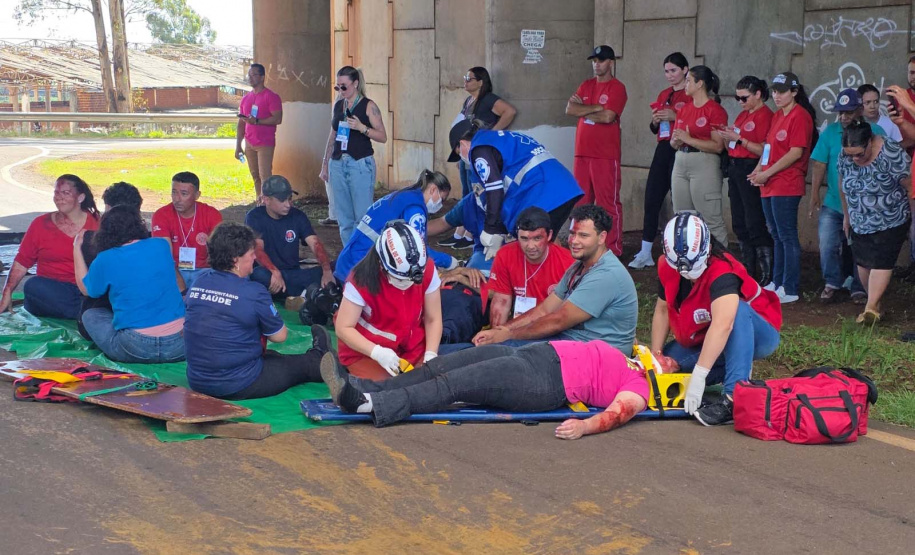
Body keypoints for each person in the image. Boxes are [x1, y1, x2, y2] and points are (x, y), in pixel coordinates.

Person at [320, 339, 678, 435]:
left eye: (671, 361)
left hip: (544, 382)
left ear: (668, 377)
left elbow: (618, 413)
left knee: (452, 385)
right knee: (441, 365)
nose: (663, 355)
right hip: (534, 355)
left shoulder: (641, 388)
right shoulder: (633, 358)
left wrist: (584, 426)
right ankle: (361, 386)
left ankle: (367, 405)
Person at [444, 204, 638, 355]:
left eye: (583, 235)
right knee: (490, 350)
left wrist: (508, 334)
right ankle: (435, 356)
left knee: (502, 355)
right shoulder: (577, 267)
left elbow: (557, 320)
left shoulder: (604, 274)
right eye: (572, 234)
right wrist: (501, 330)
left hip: (592, 354)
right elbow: (545, 309)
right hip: (568, 341)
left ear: (602, 237)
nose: (575, 241)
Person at [651, 213, 782, 426]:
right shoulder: (667, 264)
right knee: (670, 363)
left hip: (757, 331)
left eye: (694, 267)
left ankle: (734, 395)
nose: (688, 275)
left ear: (708, 249)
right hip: (706, 333)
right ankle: (735, 368)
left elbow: (724, 324)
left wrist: (700, 376)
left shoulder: (724, 271)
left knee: (736, 310)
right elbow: (663, 309)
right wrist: (656, 357)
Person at [184, 222, 328, 400]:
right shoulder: (254, 291)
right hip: (239, 382)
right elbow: (279, 336)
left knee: (273, 357)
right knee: (300, 366)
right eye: (251, 254)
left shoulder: (199, 281)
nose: (254, 258)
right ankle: (321, 357)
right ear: (236, 259)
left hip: (197, 379)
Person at [447, 119, 583, 262]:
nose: (462, 158)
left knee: (536, 247)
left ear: (462, 143)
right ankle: (567, 274)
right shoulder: (500, 138)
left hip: (544, 194)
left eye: (458, 152)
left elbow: (494, 187)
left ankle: (566, 276)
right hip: (563, 188)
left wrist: (491, 229)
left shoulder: (478, 149)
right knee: (548, 242)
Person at [73, 206, 185, 363]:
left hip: (135, 347)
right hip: (180, 345)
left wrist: (76, 248)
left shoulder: (105, 258)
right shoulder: (161, 245)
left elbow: (86, 290)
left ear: (104, 232)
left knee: (90, 315)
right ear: (139, 225)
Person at [335, 221, 442, 380]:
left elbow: (433, 318)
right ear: (381, 264)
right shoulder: (360, 281)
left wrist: (431, 354)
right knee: (389, 390)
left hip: (411, 347)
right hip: (367, 353)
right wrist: (377, 352)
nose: (406, 285)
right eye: (400, 280)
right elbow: (344, 327)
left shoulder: (427, 269)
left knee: (428, 383)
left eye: (412, 281)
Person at [809, 88, 885, 304]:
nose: (844, 117)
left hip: (865, 204)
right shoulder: (830, 132)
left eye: (849, 112)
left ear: (859, 110)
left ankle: (859, 288)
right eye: (840, 112)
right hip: (834, 202)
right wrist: (814, 194)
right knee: (827, 243)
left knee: (861, 247)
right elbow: (819, 164)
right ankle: (832, 282)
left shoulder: (875, 131)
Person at [749, 72, 817, 304]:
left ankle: (790, 287)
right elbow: (768, 147)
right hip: (769, 183)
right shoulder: (778, 115)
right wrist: (759, 170)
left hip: (786, 184)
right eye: (775, 91)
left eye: (782, 91)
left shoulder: (801, 116)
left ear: (794, 92)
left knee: (786, 235)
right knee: (776, 235)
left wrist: (766, 173)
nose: (776, 96)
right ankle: (776, 283)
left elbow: (796, 152)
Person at [838, 120, 911, 324]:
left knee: (881, 261)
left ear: (870, 142)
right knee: (864, 262)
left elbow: (910, 185)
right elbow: (842, 183)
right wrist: (847, 215)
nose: (855, 158)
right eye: (850, 154)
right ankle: (876, 307)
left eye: (859, 154)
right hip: (860, 218)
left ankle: (869, 307)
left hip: (891, 217)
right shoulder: (845, 154)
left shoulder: (891, 152)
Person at [0, 174, 100, 319]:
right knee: (32, 286)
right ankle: (87, 313)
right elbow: (22, 262)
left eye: (65, 193)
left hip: (87, 290)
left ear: (80, 198)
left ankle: (87, 312)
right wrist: (7, 292)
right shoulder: (40, 224)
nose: (59, 197)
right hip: (52, 290)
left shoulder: (98, 224)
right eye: (56, 193)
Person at [334, 169, 457, 283]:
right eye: (442, 199)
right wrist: (449, 262)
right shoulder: (415, 209)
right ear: (433, 190)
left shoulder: (404, 196)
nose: (441, 204)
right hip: (361, 269)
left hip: (347, 262)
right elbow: (418, 251)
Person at [442, 66, 517, 250]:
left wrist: (490, 135)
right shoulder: (469, 101)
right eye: (465, 76)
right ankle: (461, 232)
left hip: (481, 153)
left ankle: (470, 234)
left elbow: (510, 111)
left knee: (478, 191)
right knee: (466, 191)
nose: (465, 81)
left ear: (481, 81)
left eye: (469, 78)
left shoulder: (488, 99)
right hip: (466, 150)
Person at [566, 45, 628, 255]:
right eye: (594, 61)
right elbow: (570, 109)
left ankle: (612, 249)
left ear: (611, 62)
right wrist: (595, 108)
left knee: (607, 203)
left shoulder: (617, 87)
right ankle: (579, 246)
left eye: (601, 60)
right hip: (582, 152)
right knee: (581, 201)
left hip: (605, 154)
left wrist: (583, 112)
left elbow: (609, 117)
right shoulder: (586, 85)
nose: (596, 64)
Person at [630, 52, 690, 269]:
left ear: (685, 70)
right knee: (652, 198)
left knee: (679, 200)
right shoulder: (665, 93)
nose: (670, 75)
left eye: (674, 70)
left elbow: (697, 122)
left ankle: (682, 249)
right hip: (663, 147)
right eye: (666, 71)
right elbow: (654, 127)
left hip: (682, 148)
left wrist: (675, 117)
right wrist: (655, 120)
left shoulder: (691, 92)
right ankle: (645, 251)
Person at [715, 76, 775, 285]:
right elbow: (734, 145)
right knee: (739, 222)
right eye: (737, 97)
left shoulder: (765, 116)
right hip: (736, 168)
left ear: (758, 94)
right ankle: (749, 269)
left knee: (754, 221)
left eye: (744, 97)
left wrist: (739, 139)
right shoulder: (743, 115)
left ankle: (767, 272)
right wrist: (726, 135)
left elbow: (765, 149)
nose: (740, 101)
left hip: (752, 167)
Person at [319, 66, 388, 244]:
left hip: (359, 164)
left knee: (362, 217)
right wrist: (325, 164)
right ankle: (349, 259)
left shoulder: (368, 106)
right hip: (338, 162)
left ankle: (364, 258)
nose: (341, 91)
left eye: (344, 87)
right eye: (338, 87)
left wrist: (362, 128)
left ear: (355, 84)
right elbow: (332, 135)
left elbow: (383, 136)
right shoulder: (339, 105)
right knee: (344, 218)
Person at [245, 175, 335, 300]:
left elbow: (315, 244)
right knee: (258, 275)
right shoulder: (254, 217)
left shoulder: (298, 216)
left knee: (336, 267)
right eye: (282, 200)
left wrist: (326, 270)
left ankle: (300, 293)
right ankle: (308, 292)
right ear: (266, 199)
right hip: (270, 274)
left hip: (293, 274)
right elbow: (257, 249)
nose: (288, 204)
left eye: (290, 199)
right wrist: (275, 272)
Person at [77, 182, 144, 340]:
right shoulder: (154, 244)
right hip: (148, 319)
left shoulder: (90, 242)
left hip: (117, 318)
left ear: (108, 209)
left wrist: (76, 247)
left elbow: (86, 289)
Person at [669, 65, 728, 245]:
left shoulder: (714, 110)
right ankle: (686, 264)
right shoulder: (685, 109)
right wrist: (677, 141)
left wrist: (689, 139)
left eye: (688, 80)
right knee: (682, 218)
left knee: (711, 219)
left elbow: (718, 146)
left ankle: (721, 266)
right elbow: (674, 141)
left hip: (704, 162)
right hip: (681, 160)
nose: (685, 84)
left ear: (699, 83)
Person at [487, 206, 574, 327]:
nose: (530, 246)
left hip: (553, 327)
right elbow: (501, 302)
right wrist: (496, 336)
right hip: (517, 326)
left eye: (537, 238)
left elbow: (571, 311)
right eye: (524, 239)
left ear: (549, 235)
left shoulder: (569, 262)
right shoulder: (505, 254)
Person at [151, 171, 223, 291]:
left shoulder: (211, 214)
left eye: (184, 194)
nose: (177, 199)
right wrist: (181, 288)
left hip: (204, 271)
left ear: (197, 195)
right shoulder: (161, 215)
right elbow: (164, 256)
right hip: (174, 270)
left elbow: (219, 253)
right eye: (174, 192)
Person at [235, 63, 283, 200]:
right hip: (249, 143)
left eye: (254, 75)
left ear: (262, 77)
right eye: (249, 75)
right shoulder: (246, 98)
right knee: (255, 175)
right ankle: (259, 200)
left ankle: (268, 203)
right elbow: (241, 123)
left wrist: (257, 121)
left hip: (264, 143)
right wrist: (238, 145)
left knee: (265, 176)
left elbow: (277, 119)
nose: (250, 78)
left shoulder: (271, 96)